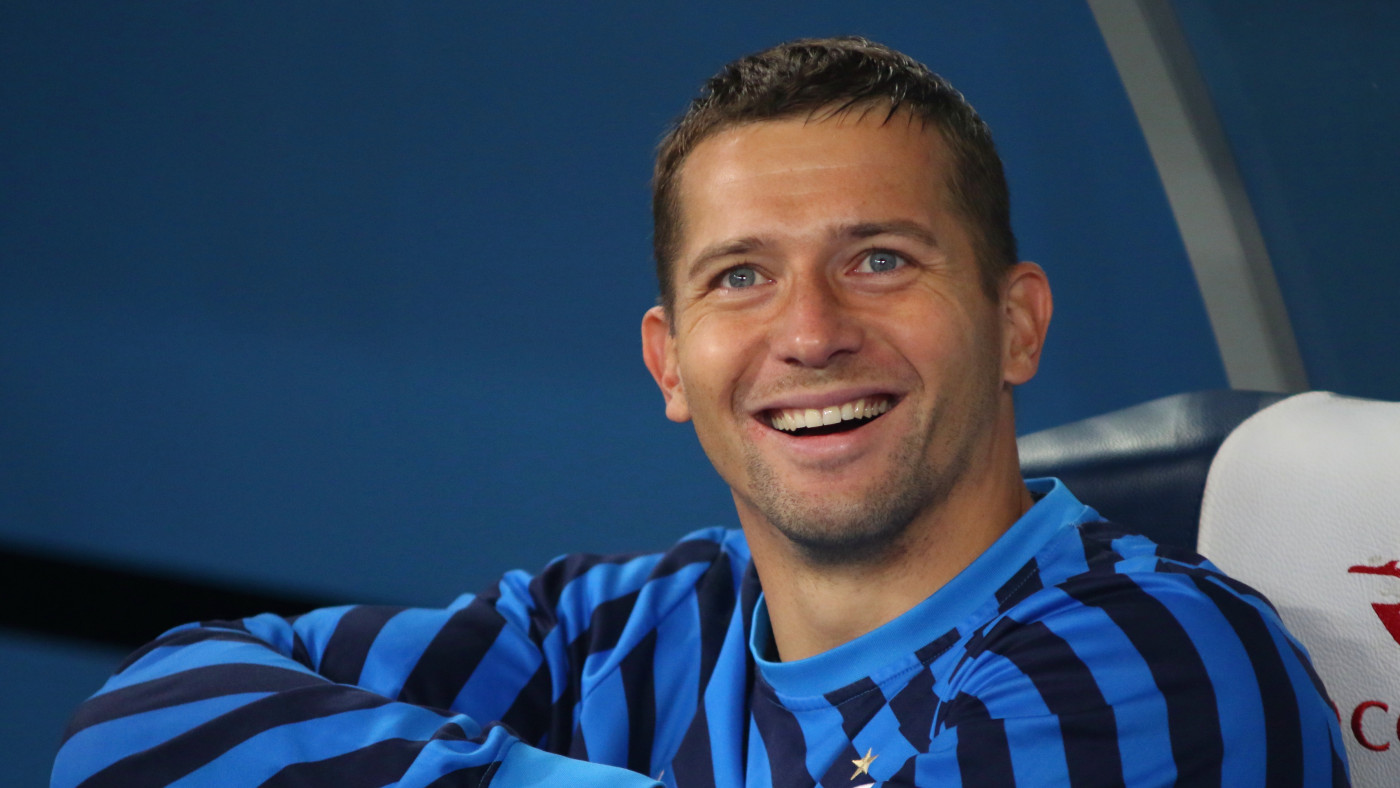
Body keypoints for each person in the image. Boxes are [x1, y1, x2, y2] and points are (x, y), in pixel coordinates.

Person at [53, 37, 1347, 787]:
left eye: (879, 259)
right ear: (670, 363)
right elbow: (139, 726)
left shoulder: (1153, 659)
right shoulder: (628, 630)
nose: (811, 331)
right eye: (741, 277)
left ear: (1018, 322)